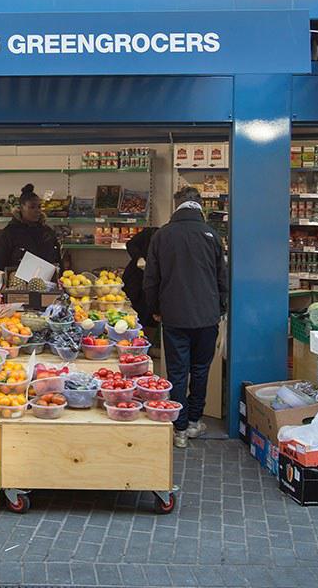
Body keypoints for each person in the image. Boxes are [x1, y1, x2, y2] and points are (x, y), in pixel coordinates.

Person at [143, 186, 228, 449]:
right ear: (200, 205)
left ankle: (178, 429)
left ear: (176, 205)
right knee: (200, 370)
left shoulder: (162, 235)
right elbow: (221, 277)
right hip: (207, 316)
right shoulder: (211, 235)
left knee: (177, 372)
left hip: (174, 315)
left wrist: (154, 308)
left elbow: (151, 279)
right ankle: (194, 421)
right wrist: (221, 306)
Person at [0, 184, 61, 272]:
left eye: (39, 207)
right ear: (21, 208)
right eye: (32, 207)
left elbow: (57, 260)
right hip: (16, 283)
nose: (37, 210)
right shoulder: (8, 234)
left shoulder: (48, 232)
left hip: (48, 283)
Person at [122, 227, 158, 325]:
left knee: (150, 316)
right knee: (135, 313)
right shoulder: (150, 233)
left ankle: (145, 337)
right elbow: (130, 244)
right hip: (135, 280)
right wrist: (139, 257)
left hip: (153, 282)